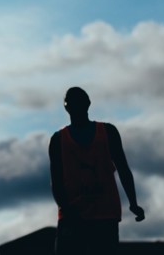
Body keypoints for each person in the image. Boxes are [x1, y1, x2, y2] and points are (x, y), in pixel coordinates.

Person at [49, 87, 146, 255]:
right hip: (81, 218)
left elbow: (123, 169)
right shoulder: (59, 140)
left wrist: (133, 202)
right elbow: (56, 182)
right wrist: (133, 203)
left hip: (100, 216)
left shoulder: (107, 133)